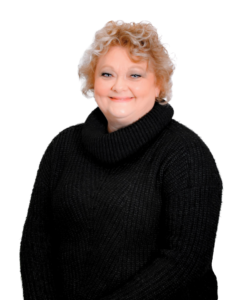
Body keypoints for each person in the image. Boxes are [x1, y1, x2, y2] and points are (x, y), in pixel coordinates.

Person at [19, 20, 223, 300]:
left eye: (135, 75)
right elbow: (36, 243)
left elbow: (184, 262)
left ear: (158, 85)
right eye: (106, 74)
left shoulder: (185, 155)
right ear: (93, 82)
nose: (118, 87)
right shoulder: (64, 147)